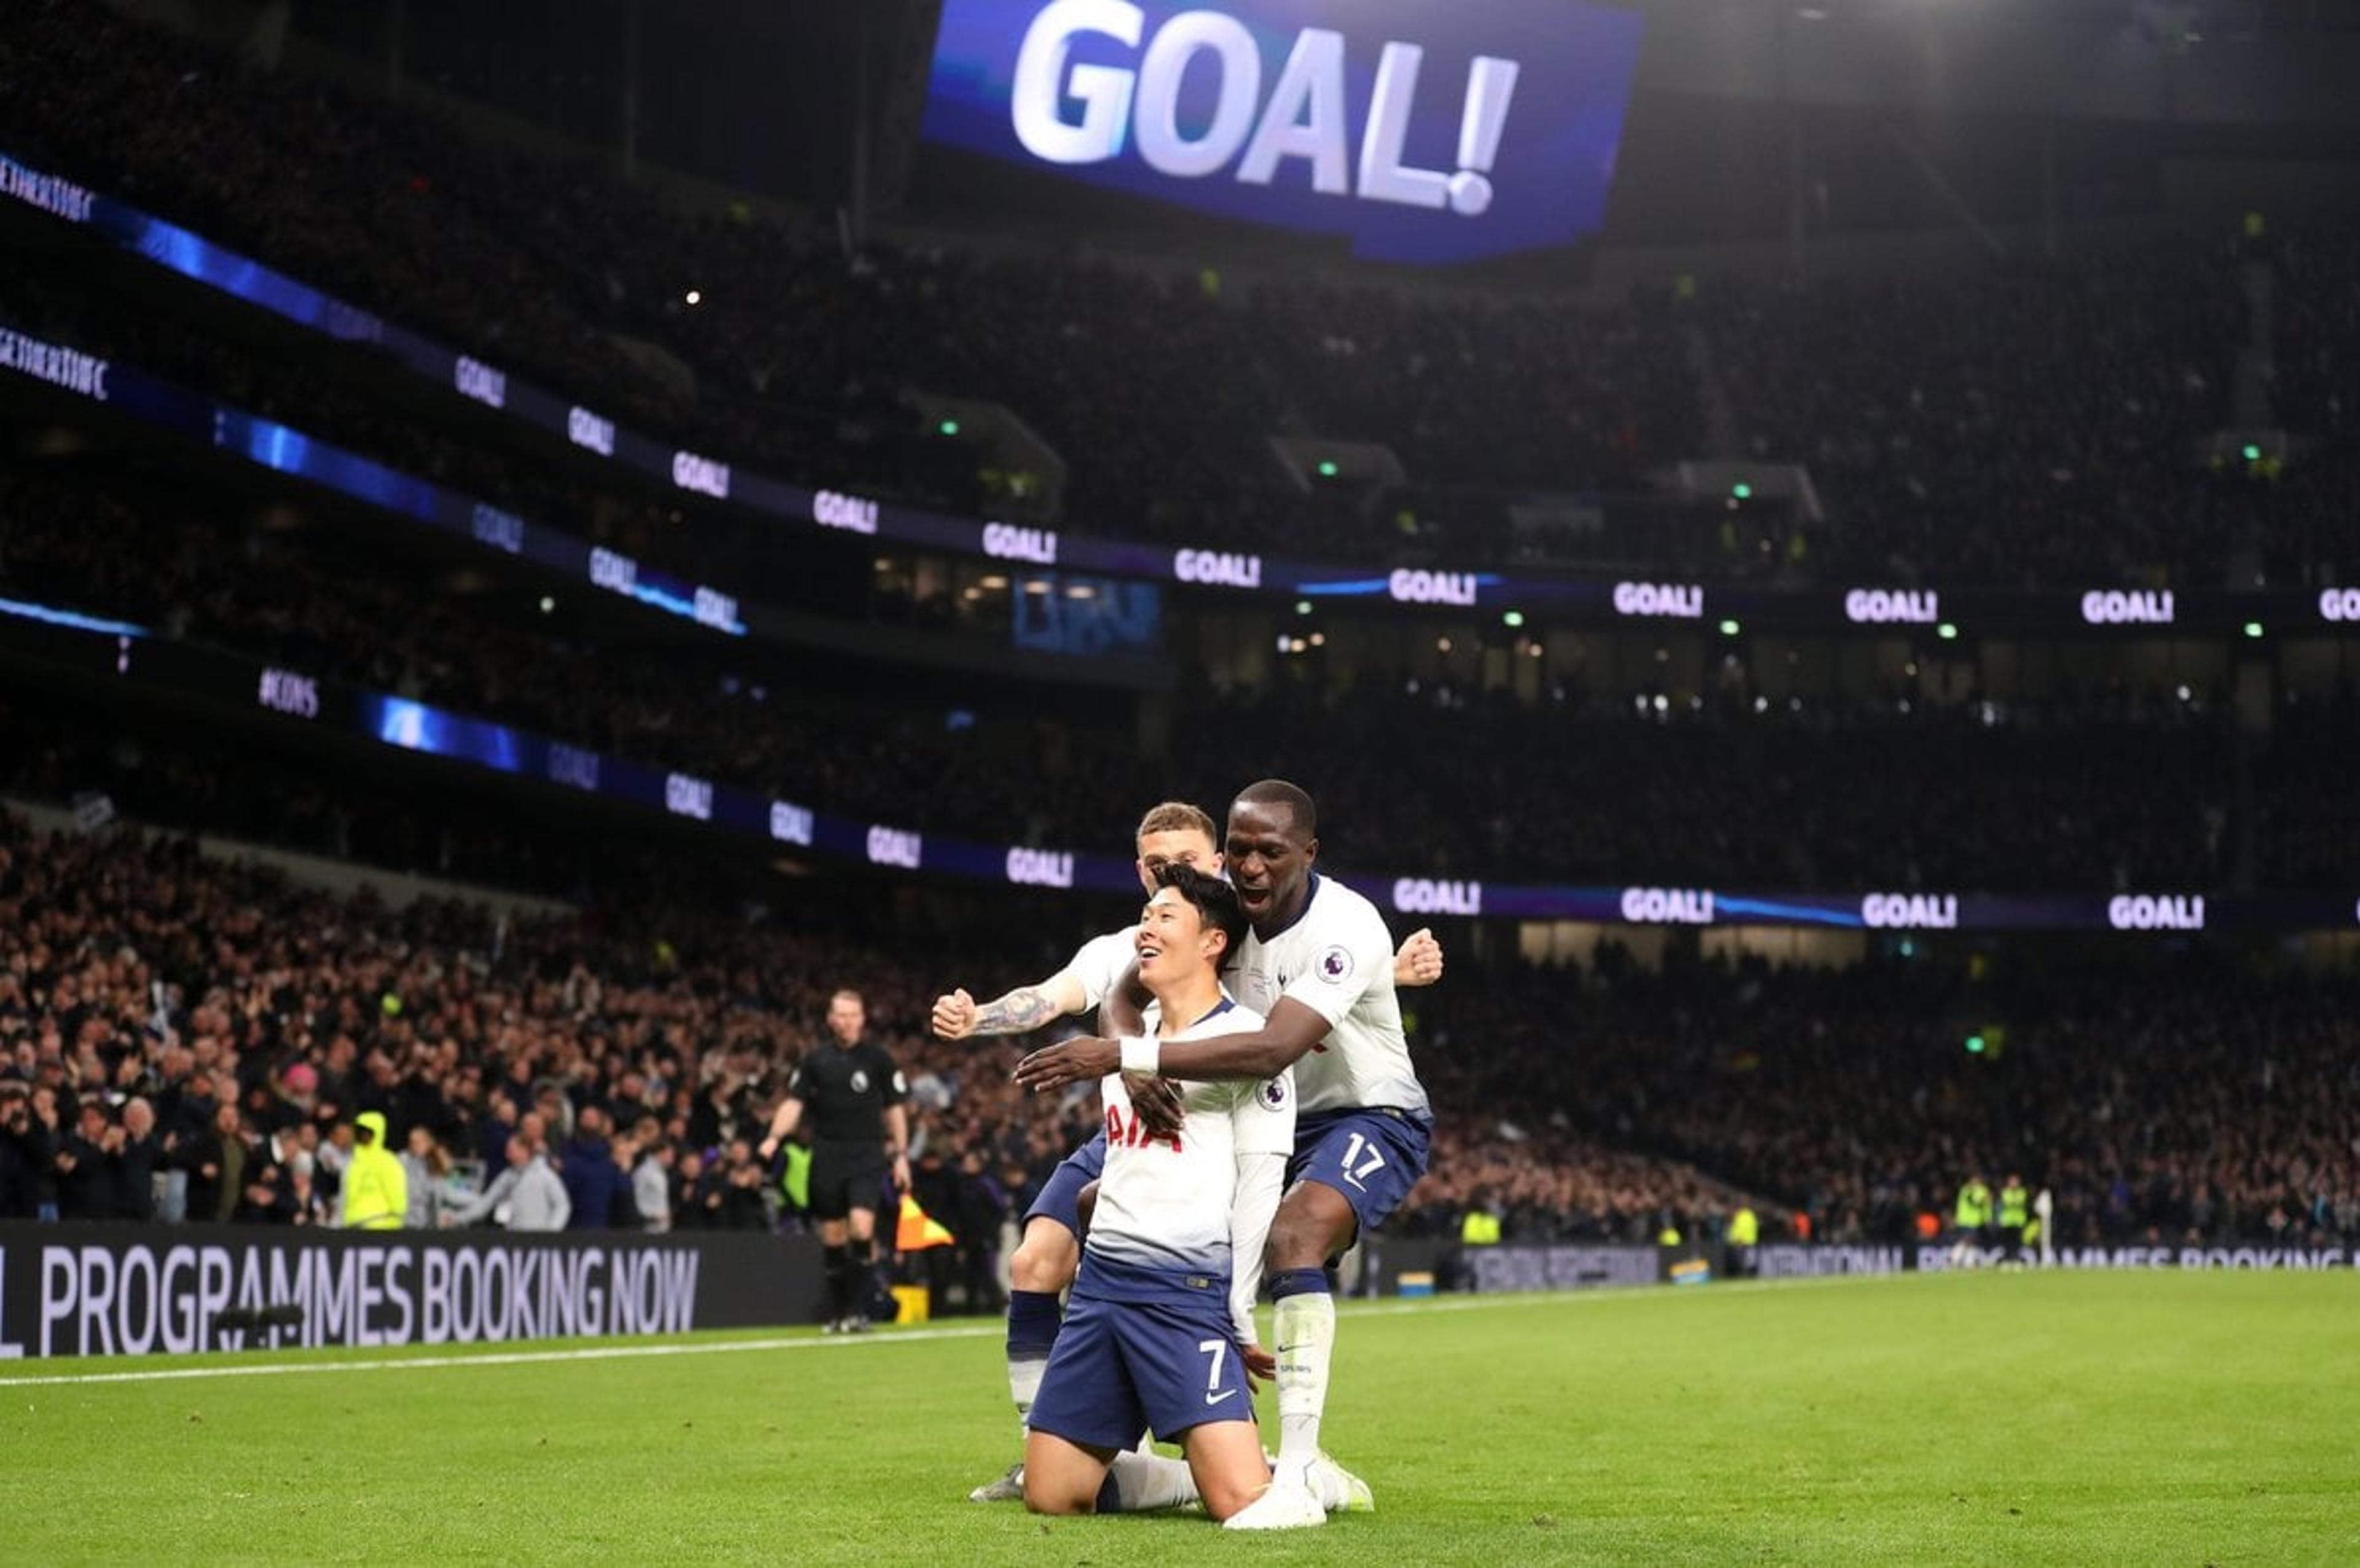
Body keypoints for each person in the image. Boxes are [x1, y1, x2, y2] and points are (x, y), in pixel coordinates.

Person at [938, 801, 1443, 1504]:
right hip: (1178, 1100)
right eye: (1155, 866)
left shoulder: (1248, 918)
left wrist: (1125, 1054)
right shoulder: (1152, 933)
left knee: (1288, 1233)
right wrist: (1122, 1061)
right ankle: (1086, 1436)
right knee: (1059, 1234)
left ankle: (1295, 1464)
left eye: (1186, 862)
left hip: (1341, 1106)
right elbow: (1103, 989)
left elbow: (1271, 1047)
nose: (1169, 876)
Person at [1023, 864, 1294, 1526]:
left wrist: (1240, 1309)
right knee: (1052, 1494)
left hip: (1184, 1292)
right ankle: (1182, 1476)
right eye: (1145, 912)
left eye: (1166, 914)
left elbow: (1261, 1186)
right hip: (1102, 1289)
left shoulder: (1246, 1037)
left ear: (1213, 942)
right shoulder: (1128, 1038)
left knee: (1242, 1503)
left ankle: (1308, 1476)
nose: (1146, 924)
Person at [758, 989, 910, 1333]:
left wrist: (900, 1155)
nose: (846, 1022)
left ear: (863, 1019)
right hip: (827, 1154)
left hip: (867, 1154)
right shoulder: (815, 1061)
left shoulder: (878, 1060)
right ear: (830, 1018)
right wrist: (773, 1137)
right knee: (833, 1236)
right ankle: (840, 1312)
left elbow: (896, 1108)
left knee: (861, 1226)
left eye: (852, 1015)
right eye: (840, 1015)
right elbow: (793, 1104)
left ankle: (859, 1310)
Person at [445, 1134, 571, 1231]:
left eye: (511, 1150)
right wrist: (457, 1218)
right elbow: (486, 1203)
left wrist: (551, 1232)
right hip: (513, 1240)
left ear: (524, 1150)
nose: (507, 1154)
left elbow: (562, 1205)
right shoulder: (507, 1176)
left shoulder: (545, 1175)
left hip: (539, 1240)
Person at [341, 1110, 407, 1230]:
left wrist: (396, 1222)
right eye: (360, 1132)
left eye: (367, 1132)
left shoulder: (387, 1161)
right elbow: (347, 1195)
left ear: (377, 1133)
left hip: (381, 1224)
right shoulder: (353, 1162)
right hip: (353, 1226)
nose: (363, 1136)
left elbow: (397, 1195)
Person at [1949, 1172, 1994, 1268]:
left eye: (1977, 1180)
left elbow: (1988, 1206)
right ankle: (1954, 1259)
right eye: (1974, 1180)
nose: (1975, 1182)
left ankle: (1969, 1262)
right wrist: (1984, 1200)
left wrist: (1988, 1218)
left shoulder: (1983, 1190)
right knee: (1966, 1240)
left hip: (1977, 1221)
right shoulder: (1966, 1190)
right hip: (1965, 1220)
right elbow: (1972, 1202)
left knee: (1974, 1241)